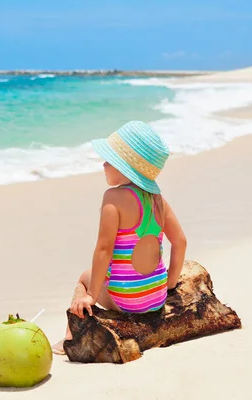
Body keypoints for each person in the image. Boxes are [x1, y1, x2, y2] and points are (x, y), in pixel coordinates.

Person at [52, 121, 187, 355]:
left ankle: (70, 338)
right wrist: (171, 284)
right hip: (157, 297)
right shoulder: (158, 200)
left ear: (125, 167)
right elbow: (180, 241)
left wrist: (92, 295)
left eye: (109, 160)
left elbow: (103, 250)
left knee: (84, 278)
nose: (103, 164)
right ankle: (156, 291)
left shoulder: (113, 198)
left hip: (129, 302)